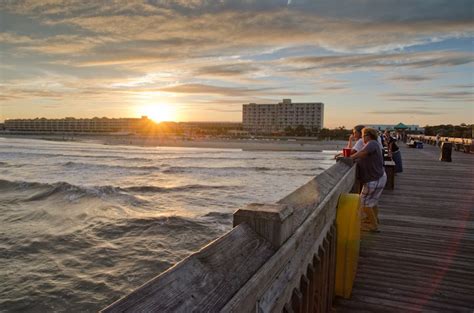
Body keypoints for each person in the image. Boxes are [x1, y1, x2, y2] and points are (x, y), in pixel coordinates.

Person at [351, 127, 387, 232]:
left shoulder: (372, 143)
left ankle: (374, 226)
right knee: (373, 202)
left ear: (368, 135)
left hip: (374, 179)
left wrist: (350, 158)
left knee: (363, 203)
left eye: (363, 136)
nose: (362, 138)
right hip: (379, 177)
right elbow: (364, 156)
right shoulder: (375, 144)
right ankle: (374, 220)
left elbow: (361, 153)